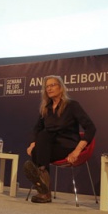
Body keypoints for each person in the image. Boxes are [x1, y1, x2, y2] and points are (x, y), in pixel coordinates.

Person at [23, 75, 96, 203]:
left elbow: (90, 128)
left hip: (67, 146)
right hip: (50, 147)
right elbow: (36, 129)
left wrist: (77, 151)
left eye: (52, 85)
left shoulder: (72, 105)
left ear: (61, 87)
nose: (49, 89)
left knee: (40, 146)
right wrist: (32, 144)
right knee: (40, 142)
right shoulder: (45, 109)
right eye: (47, 87)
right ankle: (43, 185)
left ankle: (44, 190)